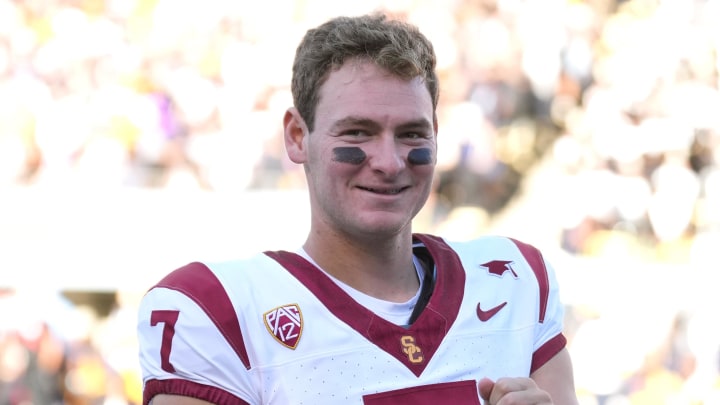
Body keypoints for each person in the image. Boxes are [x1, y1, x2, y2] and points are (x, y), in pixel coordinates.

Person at [136, 12, 579, 405]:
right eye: (357, 133)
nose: (389, 162)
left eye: (411, 134)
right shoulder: (218, 312)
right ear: (296, 136)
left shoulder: (514, 280)